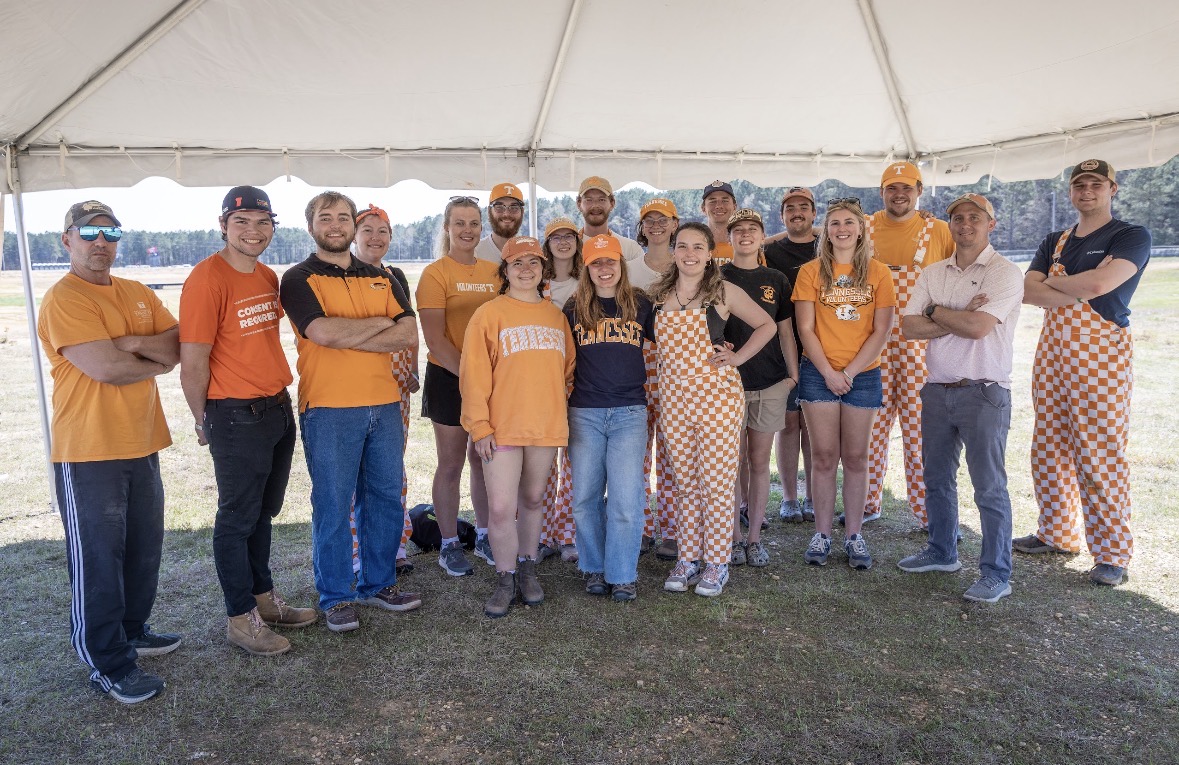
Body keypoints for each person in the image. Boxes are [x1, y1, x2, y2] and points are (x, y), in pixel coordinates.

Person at [38, 201, 181, 704]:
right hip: (88, 449)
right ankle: (107, 661)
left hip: (142, 440)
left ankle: (133, 630)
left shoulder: (137, 292)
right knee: (99, 559)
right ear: (67, 240)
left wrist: (132, 340)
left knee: (143, 547)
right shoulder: (64, 298)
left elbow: (176, 347)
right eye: (89, 232)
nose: (101, 242)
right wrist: (147, 358)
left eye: (111, 233)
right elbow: (106, 368)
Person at [179, 186, 316, 657]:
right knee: (237, 518)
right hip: (235, 414)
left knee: (263, 512)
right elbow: (193, 360)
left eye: (262, 222)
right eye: (242, 222)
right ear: (223, 226)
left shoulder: (265, 275)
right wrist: (203, 420)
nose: (253, 231)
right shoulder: (206, 279)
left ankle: (264, 600)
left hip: (276, 407)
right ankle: (240, 619)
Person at [279, 191, 421, 633]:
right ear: (311, 226)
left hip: (385, 403)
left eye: (344, 217)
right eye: (327, 217)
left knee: (384, 498)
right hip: (329, 407)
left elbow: (408, 333)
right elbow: (321, 332)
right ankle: (337, 595)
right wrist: (379, 324)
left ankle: (378, 583)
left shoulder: (381, 276)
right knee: (333, 504)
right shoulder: (298, 278)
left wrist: (349, 334)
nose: (336, 224)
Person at [1017, 159, 1151, 587]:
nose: (1087, 190)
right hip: (1052, 356)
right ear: (1071, 191)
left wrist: (1057, 285)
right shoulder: (1054, 240)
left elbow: (1098, 288)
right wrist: (1083, 282)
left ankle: (1112, 553)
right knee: (1048, 447)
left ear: (1113, 188)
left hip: (1100, 357)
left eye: (1096, 183)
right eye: (1079, 184)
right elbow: (1026, 290)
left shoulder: (1129, 236)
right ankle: (1056, 533)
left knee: (1098, 453)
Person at [896, 193, 1024, 603]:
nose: (965, 224)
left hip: (984, 391)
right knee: (935, 478)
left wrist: (936, 311)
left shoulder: (1004, 272)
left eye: (975, 218)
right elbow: (909, 328)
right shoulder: (934, 272)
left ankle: (996, 573)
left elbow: (978, 327)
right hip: (937, 388)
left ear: (991, 224)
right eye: (958, 218)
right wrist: (958, 313)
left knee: (988, 487)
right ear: (949, 225)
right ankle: (942, 551)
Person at [651, 222, 775, 597]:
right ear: (673, 251)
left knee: (717, 485)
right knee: (686, 484)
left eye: (697, 247)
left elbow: (767, 325)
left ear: (709, 254)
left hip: (717, 400)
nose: (689, 253)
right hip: (673, 400)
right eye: (682, 246)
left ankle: (717, 562)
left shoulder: (723, 291)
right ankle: (688, 559)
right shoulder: (658, 294)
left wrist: (737, 358)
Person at [460, 236, 576, 617]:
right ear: (505, 271)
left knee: (533, 499)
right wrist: (479, 426)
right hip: (501, 428)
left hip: (543, 426)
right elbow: (473, 375)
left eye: (533, 263)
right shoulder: (489, 315)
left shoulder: (555, 317)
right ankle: (505, 577)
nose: (526, 270)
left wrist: (555, 405)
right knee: (500, 507)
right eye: (517, 263)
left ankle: (527, 568)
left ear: (544, 270)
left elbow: (568, 371)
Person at [793, 198, 896, 570]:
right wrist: (829, 372)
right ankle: (822, 534)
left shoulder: (879, 273)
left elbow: (881, 330)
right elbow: (805, 329)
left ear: (861, 229)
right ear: (826, 230)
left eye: (849, 222)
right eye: (834, 222)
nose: (841, 229)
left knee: (856, 457)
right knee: (822, 456)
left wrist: (849, 373)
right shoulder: (810, 272)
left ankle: (854, 535)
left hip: (863, 375)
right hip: (818, 372)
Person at [863, 162, 954, 528]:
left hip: (922, 349)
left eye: (906, 188)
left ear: (919, 191)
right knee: (870, 428)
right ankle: (865, 503)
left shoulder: (940, 230)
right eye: (891, 188)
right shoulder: (863, 226)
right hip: (873, 344)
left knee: (921, 433)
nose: (898, 195)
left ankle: (928, 512)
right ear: (881, 192)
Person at [565, 235, 656, 601]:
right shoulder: (573, 308)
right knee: (585, 497)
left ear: (621, 264)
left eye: (610, 261)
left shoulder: (641, 304)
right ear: (586, 268)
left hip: (629, 413)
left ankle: (621, 574)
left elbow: (671, 339)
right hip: (584, 412)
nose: (604, 268)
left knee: (625, 499)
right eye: (596, 262)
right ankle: (593, 567)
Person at [416, 197, 501, 575]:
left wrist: (490, 378)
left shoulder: (495, 271)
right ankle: (449, 542)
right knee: (450, 464)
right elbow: (436, 341)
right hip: (449, 378)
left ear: (482, 228)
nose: (467, 230)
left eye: (473, 223)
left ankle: (484, 534)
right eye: (459, 223)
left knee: (484, 459)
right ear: (447, 228)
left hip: (491, 380)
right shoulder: (436, 274)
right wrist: (471, 379)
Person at [721, 209, 799, 568]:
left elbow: (785, 332)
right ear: (729, 237)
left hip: (769, 382)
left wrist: (792, 376)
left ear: (762, 235)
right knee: (732, 462)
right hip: (727, 384)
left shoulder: (775, 279)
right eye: (738, 230)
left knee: (758, 461)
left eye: (752, 229)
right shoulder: (717, 277)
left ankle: (754, 538)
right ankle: (734, 537)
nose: (745, 235)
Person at [352, 203, 420, 575]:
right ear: (354, 236)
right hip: (355, 380)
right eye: (368, 230)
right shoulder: (343, 276)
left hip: (397, 384)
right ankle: (357, 549)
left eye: (383, 231)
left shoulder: (395, 276)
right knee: (354, 468)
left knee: (391, 465)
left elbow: (409, 328)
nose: (375, 237)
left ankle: (394, 544)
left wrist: (412, 367)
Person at [763, 187, 818, 523]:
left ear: (814, 212)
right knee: (787, 424)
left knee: (813, 427)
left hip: (822, 349)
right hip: (782, 348)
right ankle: (789, 498)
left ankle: (813, 496)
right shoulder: (770, 250)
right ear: (782, 215)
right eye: (790, 208)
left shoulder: (827, 244)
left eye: (803, 207)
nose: (797, 213)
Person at [630, 197, 680, 559]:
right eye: (650, 220)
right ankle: (642, 527)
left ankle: (673, 529)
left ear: (675, 224)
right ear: (642, 227)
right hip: (635, 362)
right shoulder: (629, 268)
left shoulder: (687, 263)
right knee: (637, 452)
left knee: (673, 451)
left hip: (678, 363)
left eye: (663, 219)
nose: (656, 225)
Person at [537, 217, 583, 562]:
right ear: (547, 244)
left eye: (569, 236)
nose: (563, 242)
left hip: (583, 377)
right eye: (556, 237)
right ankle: (540, 534)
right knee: (541, 461)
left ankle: (568, 533)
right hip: (542, 378)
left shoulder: (588, 281)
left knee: (573, 460)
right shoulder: (536, 283)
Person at [577, 176, 644, 261]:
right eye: (589, 200)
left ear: (612, 203)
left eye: (601, 200)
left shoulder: (630, 249)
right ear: (579, 204)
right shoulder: (568, 248)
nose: (595, 205)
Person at [475, 182, 526, 262]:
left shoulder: (530, 254)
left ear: (522, 212)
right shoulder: (474, 253)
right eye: (499, 207)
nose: (506, 214)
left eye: (514, 207)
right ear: (489, 211)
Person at [700, 180, 737, 265]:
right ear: (703, 208)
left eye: (725, 200)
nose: (719, 206)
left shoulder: (747, 245)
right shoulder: (695, 245)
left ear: (734, 207)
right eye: (712, 201)